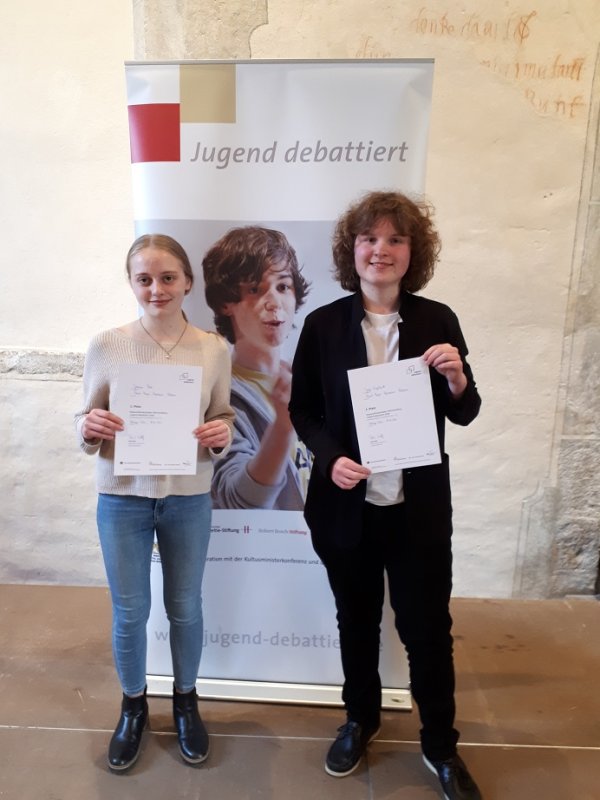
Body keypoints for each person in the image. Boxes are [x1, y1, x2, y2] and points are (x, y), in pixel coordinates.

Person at [289, 191, 483, 800]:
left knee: (428, 630)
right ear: (352, 250)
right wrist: (331, 458)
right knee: (357, 621)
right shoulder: (324, 325)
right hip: (346, 506)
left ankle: (441, 745)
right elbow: (303, 410)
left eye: (396, 239)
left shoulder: (437, 320)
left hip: (417, 509)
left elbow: (466, 411)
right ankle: (361, 720)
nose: (382, 250)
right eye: (370, 238)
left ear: (412, 252)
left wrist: (457, 377)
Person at [75, 234, 235, 772]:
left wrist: (221, 434)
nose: (156, 288)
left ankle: (186, 701)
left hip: (188, 497)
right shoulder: (107, 345)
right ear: (131, 283)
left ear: (188, 281)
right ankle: (133, 706)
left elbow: (223, 416)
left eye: (168, 277)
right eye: (144, 279)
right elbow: (85, 420)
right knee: (130, 611)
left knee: (185, 606)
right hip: (122, 499)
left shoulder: (213, 348)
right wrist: (89, 426)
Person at [202, 226, 312, 510]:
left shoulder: (308, 380)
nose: (274, 302)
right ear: (226, 303)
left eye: (283, 287)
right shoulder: (216, 395)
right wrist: (283, 426)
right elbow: (238, 500)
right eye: (254, 289)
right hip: (265, 538)